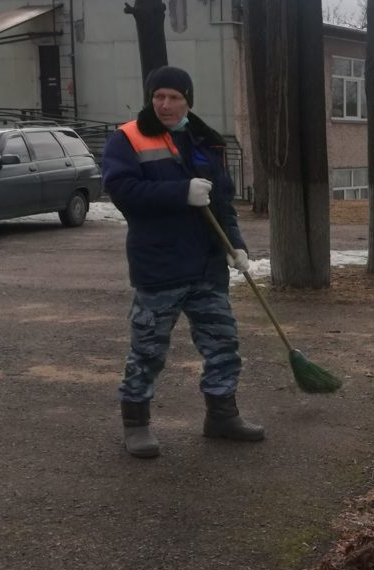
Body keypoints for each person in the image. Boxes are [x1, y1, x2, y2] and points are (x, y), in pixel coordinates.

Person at [102, 66, 263, 458]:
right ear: (150, 98)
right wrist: (181, 192)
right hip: (159, 267)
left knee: (223, 344)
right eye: (159, 96)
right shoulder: (128, 138)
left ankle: (222, 416)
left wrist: (235, 246)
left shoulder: (205, 140)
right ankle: (135, 425)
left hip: (207, 266)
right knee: (148, 350)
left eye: (175, 97)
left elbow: (221, 201)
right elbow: (122, 191)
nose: (166, 104)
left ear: (188, 100)